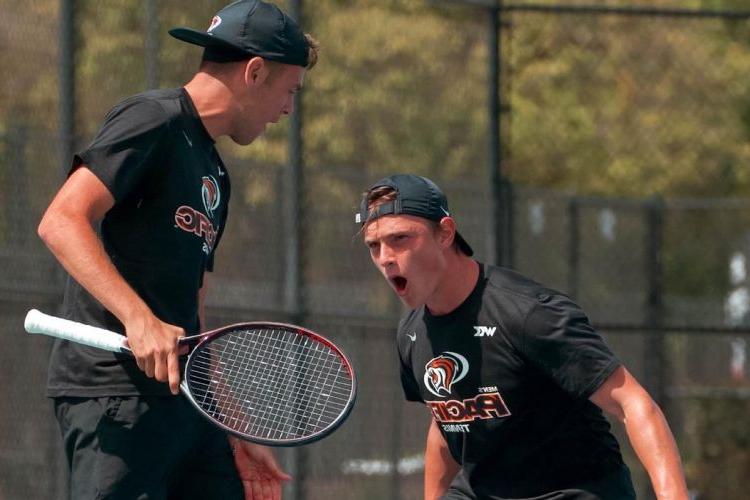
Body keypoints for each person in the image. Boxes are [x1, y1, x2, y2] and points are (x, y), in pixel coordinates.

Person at [37, 1, 318, 499]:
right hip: (116, 394)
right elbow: (61, 220)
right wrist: (138, 319)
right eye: (289, 91)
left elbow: (194, 313)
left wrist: (232, 425)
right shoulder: (152, 119)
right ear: (255, 72)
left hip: (186, 405)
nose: (288, 110)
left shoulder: (215, 174)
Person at [357, 174, 689, 500]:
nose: (385, 258)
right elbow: (446, 421)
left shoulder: (529, 314)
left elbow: (633, 404)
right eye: (374, 246)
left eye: (400, 239)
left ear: (445, 233)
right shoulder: (412, 333)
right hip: (481, 489)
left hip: (571, 489)